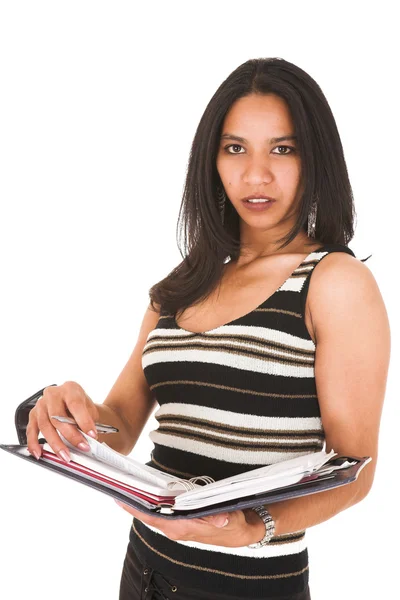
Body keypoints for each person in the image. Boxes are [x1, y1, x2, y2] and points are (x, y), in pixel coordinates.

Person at [26, 57, 390, 600]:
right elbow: (120, 424)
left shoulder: (334, 282)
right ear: (212, 159)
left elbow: (354, 470)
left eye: (283, 149)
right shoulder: (180, 286)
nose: (256, 174)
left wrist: (253, 526)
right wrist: (67, 410)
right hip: (143, 570)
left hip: (249, 586)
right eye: (235, 148)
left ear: (317, 160)